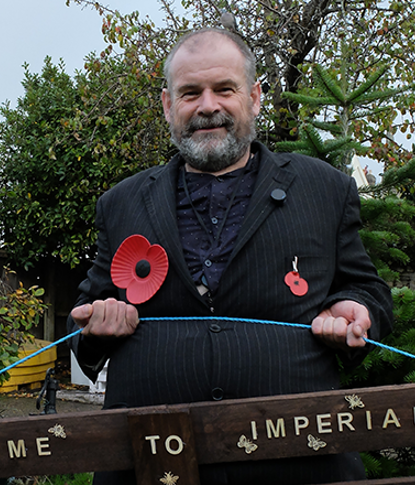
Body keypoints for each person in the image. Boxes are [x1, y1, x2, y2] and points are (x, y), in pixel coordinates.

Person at [68, 27, 393, 484]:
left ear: (255, 96)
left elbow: (368, 290)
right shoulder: (121, 203)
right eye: (189, 93)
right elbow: (81, 322)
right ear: (167, 105)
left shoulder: (325, 189)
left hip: (300, 465)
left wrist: (356, 309)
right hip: (151, 466)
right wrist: (97, 327)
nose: (207, 106)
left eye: (224, 89)